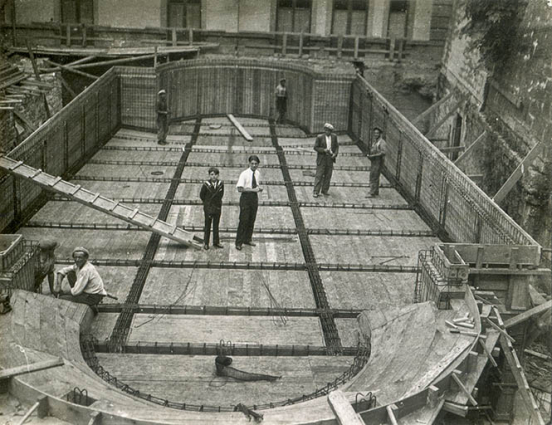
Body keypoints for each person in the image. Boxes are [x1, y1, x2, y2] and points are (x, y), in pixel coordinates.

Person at [235, 155, 263, 250]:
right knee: (243, 220)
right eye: (252, 163)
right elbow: (240, 189)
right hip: (245, 199)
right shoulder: (244, 174)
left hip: (254, 199)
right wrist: (253, 190)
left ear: (258, 164)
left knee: (252, 219)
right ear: (249, 163)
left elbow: (256, 185)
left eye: (256, 164)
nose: (254, 165)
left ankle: (247, 239)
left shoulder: (258, 173)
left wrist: (258, 189)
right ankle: (238, 242)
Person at [200, 167, 224, 250]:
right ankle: (206, 243)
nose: (214, 176)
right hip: (209, 208)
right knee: (207, 225)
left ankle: (216, 242)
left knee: (216, 225)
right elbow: (202, 196)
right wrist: (207, 204)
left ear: (218, 175)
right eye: (212, 174)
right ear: (209, 175)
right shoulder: (206, 185)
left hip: (217, 207)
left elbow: (221, 195)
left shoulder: (221, 184)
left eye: (215, 175)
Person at [313, 123, 339, 198]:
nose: (329, 132)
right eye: (328, 131)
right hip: (322, 159)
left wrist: (335, 154)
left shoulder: (334, 137)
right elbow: (315, 147)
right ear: (325, 130)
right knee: (319, 175)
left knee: (328, 175)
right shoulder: (320, 137)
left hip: (330, 159)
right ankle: (316, 191)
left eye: (330, 131)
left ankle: (325, 190)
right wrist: (323, 150)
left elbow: (337, 146)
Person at [367, 126, 387, 198]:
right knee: (375, 176)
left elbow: (383, 152)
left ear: (380, 134)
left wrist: (374, 155)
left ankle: (372, 192)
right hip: (374, 161)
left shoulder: (382, 142)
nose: (375, 134)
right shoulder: (375, 141)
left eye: (377, 133)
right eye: (375, 133)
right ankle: (375, 191)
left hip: (378, 161)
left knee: (373, 176)